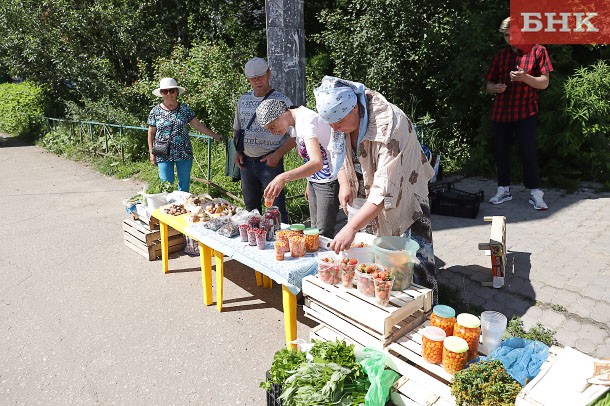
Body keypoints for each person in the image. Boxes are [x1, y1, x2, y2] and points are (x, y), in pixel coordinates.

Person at [314, 76, 438, 302]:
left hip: (407, 188)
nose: (335, 129)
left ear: (355, 109)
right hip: (369, 186)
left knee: (416, 258)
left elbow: (384, 191)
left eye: (339, 123)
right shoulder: (339, 117)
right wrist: (343, 182)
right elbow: (337, 151)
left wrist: (350, 227)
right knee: (379, 259)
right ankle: (386, 304)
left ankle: (428, 308)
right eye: (331, 124)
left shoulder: (390, 125)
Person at [486, 17, 553, 210]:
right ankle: (503, 190)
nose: (509, 39)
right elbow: (488, 85)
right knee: (501, 153)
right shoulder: (501, 56)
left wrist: (525, 77)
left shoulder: (538, 51)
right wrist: (495, 88)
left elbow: (544, 82)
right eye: (506, 35)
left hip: (526, 110)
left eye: (512, 34)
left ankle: (535, 193)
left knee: (528, 152)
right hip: (501, 112)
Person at [255, 99, 345, 238]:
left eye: (272, 127)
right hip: (316, 180)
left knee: (322, 235)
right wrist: (309, 181)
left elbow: (317, 162)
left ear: (281, 114)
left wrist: (283, 177)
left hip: (329, 180)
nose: (273, 132)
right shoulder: (296, 122)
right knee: (313, 232)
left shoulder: (306, 121)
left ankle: (324, 259)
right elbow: (311, 157)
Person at [233, 57, 295, 222]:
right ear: (248, 79)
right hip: (246, 161)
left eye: (261, 76)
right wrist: (238, 151)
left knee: (276, 209)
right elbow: (237, 128)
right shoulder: (243, 100)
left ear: (269, 74)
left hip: (270, 162)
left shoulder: (282, 101)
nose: (257, 81)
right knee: (251, 208)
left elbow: (295, 134)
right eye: (253, 78)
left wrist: (277, 155)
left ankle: (280, 241)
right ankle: (254, 241)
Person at [147, 77, 222, 192]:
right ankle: (168, 208)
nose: (168, 94)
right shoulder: (155, 111)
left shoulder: (184, 109)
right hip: (162, 152)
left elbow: (198, 125)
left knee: (184, 184)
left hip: (184, 151)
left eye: (171, 90)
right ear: (161, 93)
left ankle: (183, 208)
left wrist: (215, 136)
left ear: (177, 92)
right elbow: (151, 133)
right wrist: (152, 153)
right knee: (166, 184)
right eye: (165, 91)